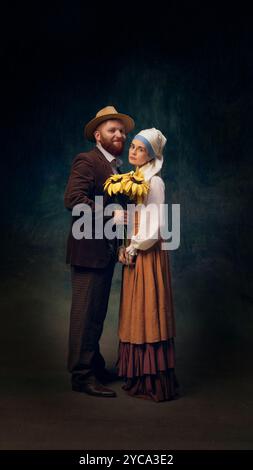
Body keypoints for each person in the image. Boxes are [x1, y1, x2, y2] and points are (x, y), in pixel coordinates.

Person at [64, 106, 135, 397]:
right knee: (85, 314)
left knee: (96, 314)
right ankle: (81, 376)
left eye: (121, 131)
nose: (119, 135)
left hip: (104, 252)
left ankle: (94, 364)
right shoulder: (87, 161)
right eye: (112, 130)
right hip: (87, 252)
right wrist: (111, 214)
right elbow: (73, 200)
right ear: (98, 135)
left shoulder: (115, 166)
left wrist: (120, 245)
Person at [117, 128, 179, 402]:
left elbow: (154, 227)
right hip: (135, 247)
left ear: (151, 154)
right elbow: (134, 218)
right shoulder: (134, 179)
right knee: (135, 308)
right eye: (132, 146)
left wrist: (133, 247)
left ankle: (152, 378)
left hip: (147, 251)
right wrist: (125, 244)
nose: (133, 151)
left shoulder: (154, 182)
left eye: (141, 149)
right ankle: (138, 374)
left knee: (148, 306)